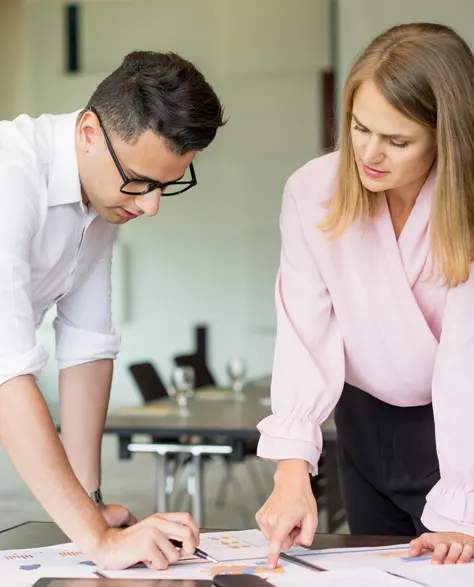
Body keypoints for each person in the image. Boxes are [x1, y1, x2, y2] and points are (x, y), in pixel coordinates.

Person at [255, 22, 474, 567]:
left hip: (460, 429)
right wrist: (291, 474)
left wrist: (463, 510)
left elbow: (466, 364)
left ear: (447, 136)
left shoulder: (467, 207)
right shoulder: (311, 191)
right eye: (359, 128)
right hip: (363, 427)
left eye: (399, 141)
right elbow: (304, 332)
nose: (370, 155)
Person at [0, 50, 224, 570]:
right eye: (141, 182)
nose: (150, 206)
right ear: (87, 133)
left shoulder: (101, 195)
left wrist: (92, 511)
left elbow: (86, 343)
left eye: (167, 186)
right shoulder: (10, 179)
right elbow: (8, 373)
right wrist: (99, 542)